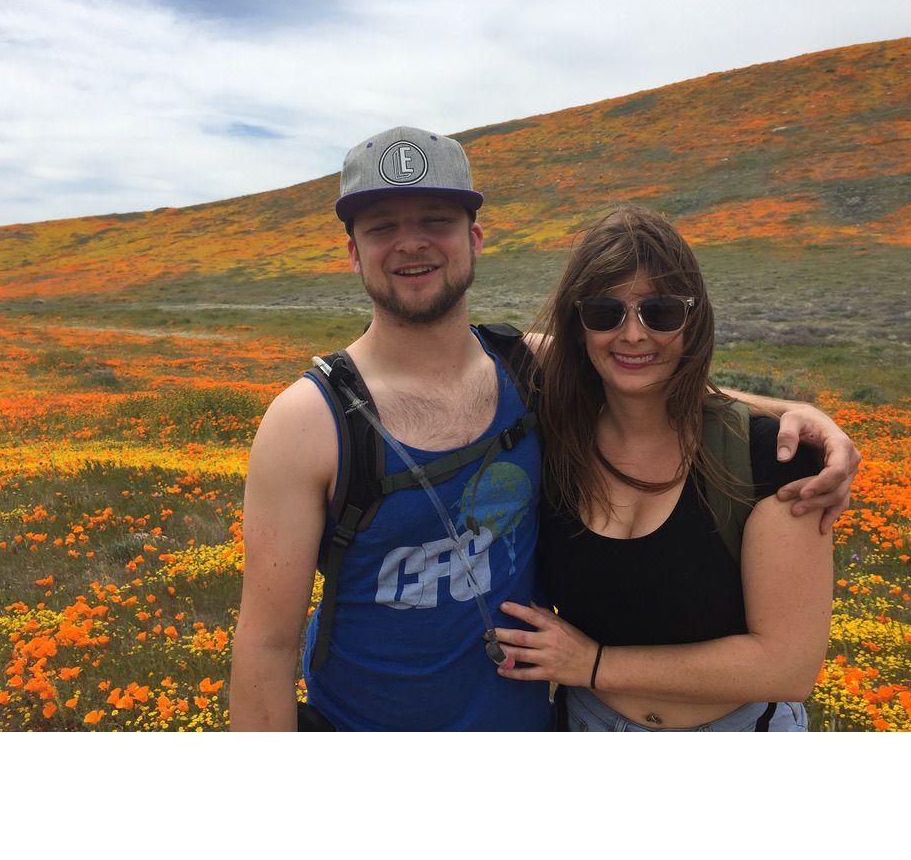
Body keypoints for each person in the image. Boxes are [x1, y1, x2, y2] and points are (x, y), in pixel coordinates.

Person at [229, 126, 858, 732]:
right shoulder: (307, 423)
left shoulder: (524, 366)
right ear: (352, 252)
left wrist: (793, 415)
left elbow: (641, 367)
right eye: (382, 227)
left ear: (475, 239)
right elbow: (265, 649)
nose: (411, 243)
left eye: (435, 221)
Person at [493, 206, 834, 731]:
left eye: (661, 312)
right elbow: (488, 345)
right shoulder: (556, 438)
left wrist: (594, 664)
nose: (633, 333)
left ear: (693, 320)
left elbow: (788, 667)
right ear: (578, 324)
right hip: (586, 724)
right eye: (604, 312)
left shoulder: (769, 456)